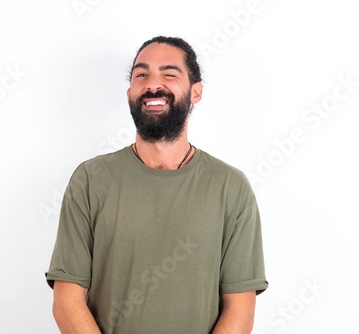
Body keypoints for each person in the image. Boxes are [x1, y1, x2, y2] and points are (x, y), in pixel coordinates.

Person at [45, 35, 268, 334]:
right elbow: (67, 302)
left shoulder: (231, 187)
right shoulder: (90, 179)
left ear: (196, 92)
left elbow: (239, 308)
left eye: (169, 74)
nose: (153, 84)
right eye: (141, 74)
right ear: (129, 93)